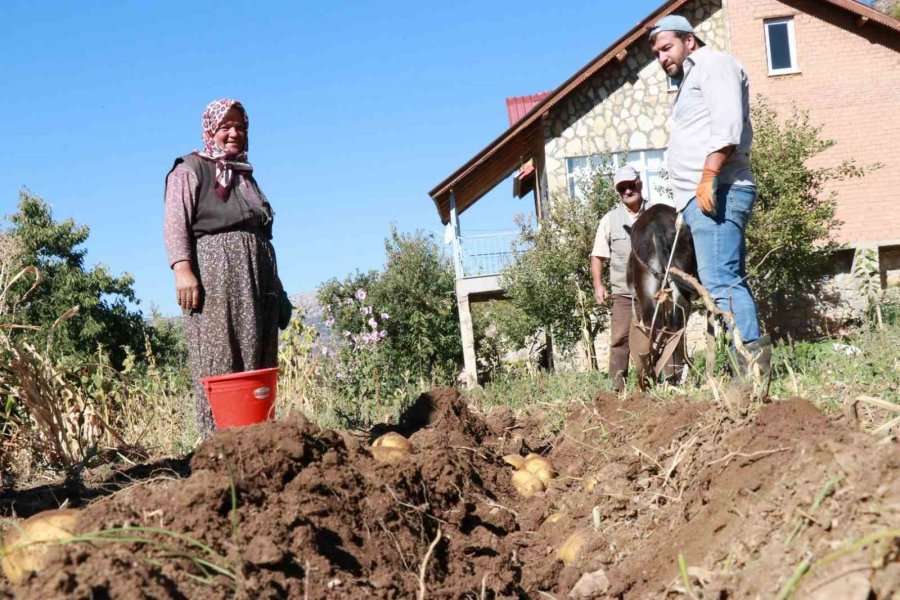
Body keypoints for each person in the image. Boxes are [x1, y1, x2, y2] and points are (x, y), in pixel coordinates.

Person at [649, 15, 771, 382]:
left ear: (689, 41)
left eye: (666, 47)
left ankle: (751, 373)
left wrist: (707, 177)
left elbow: (728, 124)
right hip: (702, 198)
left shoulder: (714, 64)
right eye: (655, 52)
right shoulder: (689, 82)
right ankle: (747, 369)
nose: (660, 58)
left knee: (722, 281)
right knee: (723, 280)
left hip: (719, 190)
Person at [163, 98, 290, 438]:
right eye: (226, 127)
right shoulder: (190, 168)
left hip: (259, 278)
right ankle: (217, 449)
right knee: (220, 357)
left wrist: (279, 290)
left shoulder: (246, 177)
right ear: (210, 131)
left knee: (258, 358)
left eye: (241, 127)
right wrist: (182, 270)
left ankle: (258, 445)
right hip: (215, 274)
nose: (234, 133)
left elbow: (259, 234)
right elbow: (175, 221)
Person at [590, 165, 646, 391]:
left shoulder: (657, 214)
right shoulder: (609, 220)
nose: (627, 191)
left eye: (630, 185)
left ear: (639, 184)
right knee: (619, 341)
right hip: (623, 293)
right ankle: (617, 389)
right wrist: (598, 285)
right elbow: (598, 255)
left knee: (653, 338)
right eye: (622, 188)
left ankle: (653, 384)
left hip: (653, 294)